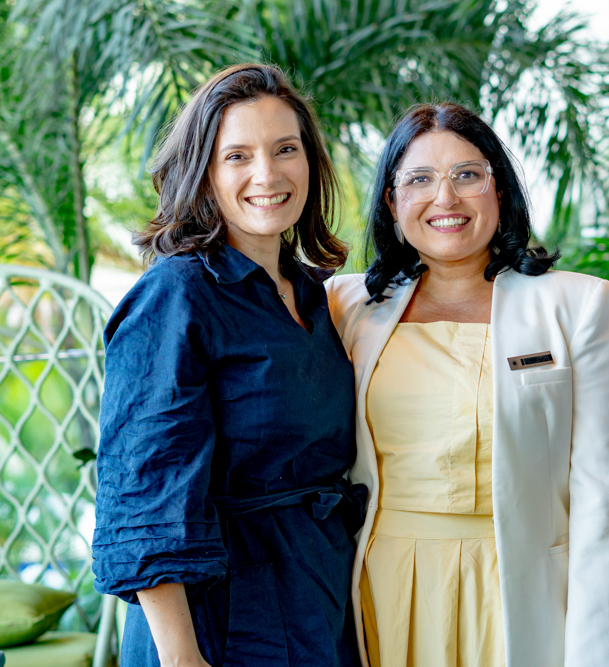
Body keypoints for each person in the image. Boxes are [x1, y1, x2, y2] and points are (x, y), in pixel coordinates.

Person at [327, 102, 609, 667]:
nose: (445, 198)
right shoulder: (344, 306)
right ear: (392, 202)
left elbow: (602, 502)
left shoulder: (578, 305)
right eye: (419, 179)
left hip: (525, 596)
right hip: (380, 595)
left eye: (467, 175)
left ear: (500, 189)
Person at [93, 64, 365, 667]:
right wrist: (182, 659)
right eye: (237, 156)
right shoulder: (175, 295)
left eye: (285, 149)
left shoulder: (310, 295)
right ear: (204, 173)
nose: (267, 174)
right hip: (218, 619)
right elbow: (146, 494)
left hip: (316, 593)